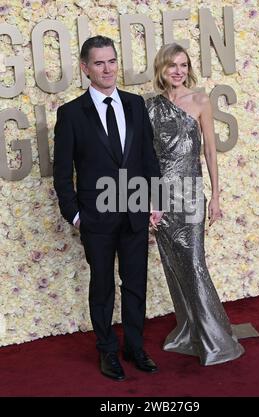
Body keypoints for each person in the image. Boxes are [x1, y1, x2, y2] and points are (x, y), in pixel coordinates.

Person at [53, 36, 162, 381]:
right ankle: (107, 352)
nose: (108, 69)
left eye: (112, 61)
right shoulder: (70, 114)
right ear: (85, 68)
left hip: (134, 212)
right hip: (96, 218)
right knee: (102, 287)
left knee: (135, 284)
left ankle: (134, 346)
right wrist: (75, 215)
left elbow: (148, 156)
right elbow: (61, 173)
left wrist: (155, 200)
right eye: (99, 63)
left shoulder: (134, 104)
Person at [146, 43, 245, 365]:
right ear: (161, 68)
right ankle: (189, 330)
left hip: (190, 196)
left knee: (194, 264)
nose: (178, 71)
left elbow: (210, 153)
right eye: (172, 65)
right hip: (161, 199)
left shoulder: (201, 100)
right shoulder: (150, 107)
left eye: (184, 65)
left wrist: (216, 196)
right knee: (173, 266)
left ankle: (216, 339)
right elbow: (145, 159)